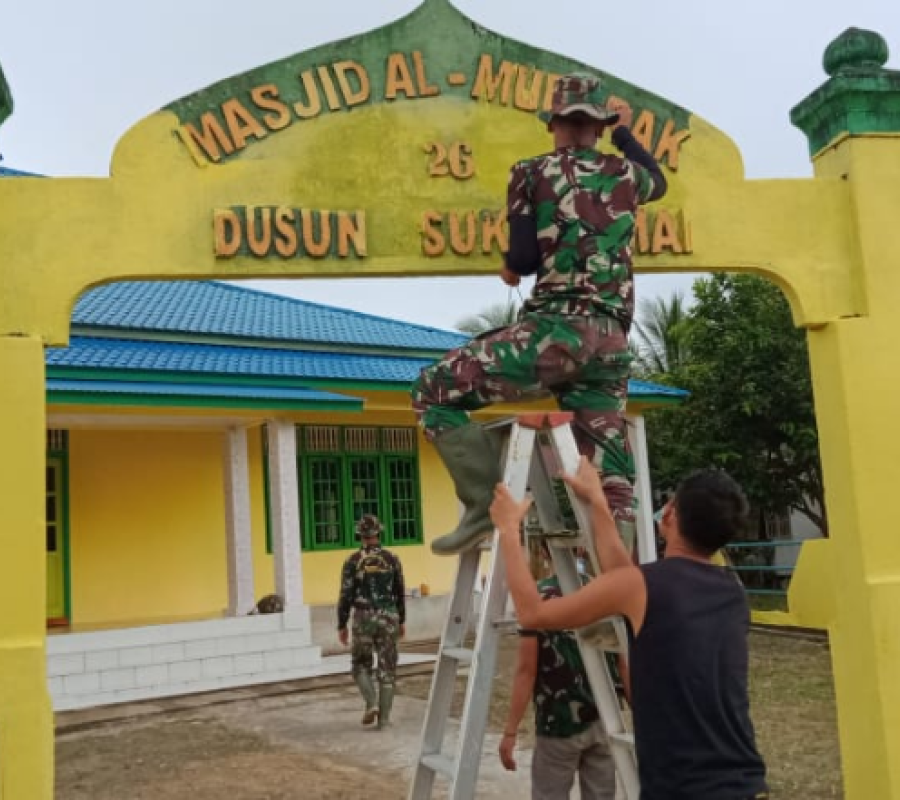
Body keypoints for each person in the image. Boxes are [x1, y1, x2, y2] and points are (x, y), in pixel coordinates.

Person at [412, 72, 667, 556]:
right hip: (611, 342)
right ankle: (618, 585)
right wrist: (626, 134)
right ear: (599, 124)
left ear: (553, 122)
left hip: (556, 332)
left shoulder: (530, 172)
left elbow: (526, 255)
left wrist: (510, 267)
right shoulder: (627, 175)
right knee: (611, 474)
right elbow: (659, 180)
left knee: (433, 389)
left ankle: (486, 508)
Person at [490, 457, 769, 799]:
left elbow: (533, 614)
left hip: (685, 787)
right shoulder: (732, 590)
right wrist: (597, 502)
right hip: (743, 780)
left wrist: (507, 531)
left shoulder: (643, 586)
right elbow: (621, 575)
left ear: (669, 515)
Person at [500, 566, 619, 800]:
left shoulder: (536, 598)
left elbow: (526, 670)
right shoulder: (607, 592)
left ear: (544, 550)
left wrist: (510, 732)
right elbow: (622, 658)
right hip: (604, 719)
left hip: (558, 723)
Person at [336, 514, 407, 730]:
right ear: (378, 532)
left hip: (363, 617)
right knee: (388, 669)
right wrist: (401, 619)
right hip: (388, 616)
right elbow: (400, 592)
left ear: (361, 535)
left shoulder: (353, 561)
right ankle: (384, 720)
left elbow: (345, 594)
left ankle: (371, 702)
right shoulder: (393, 558)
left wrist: (342, 623)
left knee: (360, 665)